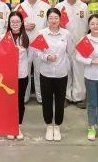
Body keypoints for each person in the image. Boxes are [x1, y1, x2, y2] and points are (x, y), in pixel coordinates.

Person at [34, 8, 72, 141]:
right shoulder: (42, 33)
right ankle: (49, 126)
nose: (53, 20)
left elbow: (70, 51)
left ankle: (58, 126)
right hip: (46, 72)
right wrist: (46, 57)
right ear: (47, 20)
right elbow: (37, 51)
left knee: (60, 101)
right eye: (51, 18)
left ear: (60, 19)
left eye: (56, 18)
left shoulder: (66, 34)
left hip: (62, 73)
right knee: (47, 101)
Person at [57, 0, 89, 108]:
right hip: (64, 44)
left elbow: (87, 25)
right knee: (65, 70)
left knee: (79, 71)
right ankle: (65, 96)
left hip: (80, 42)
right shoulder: (60, 7)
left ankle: (79, 97)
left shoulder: (83, 7)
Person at [17, 0, 50, 104]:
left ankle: (41, 97)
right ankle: (24, 97)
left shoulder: (45, 7)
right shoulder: (20, 7)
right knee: (24, 71)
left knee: (39, 71)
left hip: (40, 44)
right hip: (24, 44)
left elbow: (49, 25)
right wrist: (23, 26)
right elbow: (13, 24)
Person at [6, 13, 31, 140]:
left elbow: (30, 56)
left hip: (22, 74)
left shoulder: (26, 38)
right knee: (9, 101)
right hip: (8, 75)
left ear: (21, 23)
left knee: (20, 101)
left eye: (17, 22)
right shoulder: (4, 37)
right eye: (12, 22)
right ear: (9, 23)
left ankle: (18, 126)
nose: (15, 24)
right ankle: (10, 126)